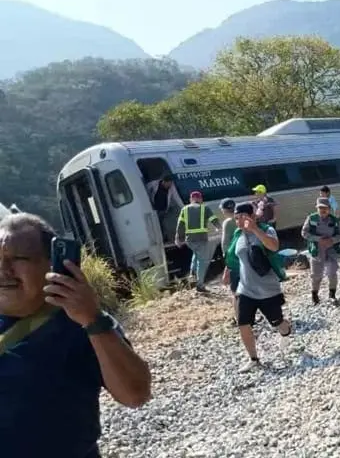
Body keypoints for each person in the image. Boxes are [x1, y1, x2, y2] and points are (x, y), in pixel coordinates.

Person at [0, 213, 151, 457]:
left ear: (52, 264)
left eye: (18, 258)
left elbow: (136, 395)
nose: (3, 269)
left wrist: (93, 320)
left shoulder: (80, 321)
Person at [225, 202, 291, 373]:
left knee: (277, 323)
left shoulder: (266, 230)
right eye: (236, 218)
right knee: (243, 323)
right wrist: (227, 270)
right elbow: (234, 255)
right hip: (245, 289)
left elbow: (274, 246)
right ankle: (253, 359)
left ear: (253, 216)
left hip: (267, 289)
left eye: (242, 217)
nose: (239, 221)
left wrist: (254, 229)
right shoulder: (238, 234)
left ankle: (286, 331)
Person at [301, 197, 340, 305]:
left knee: (332, 273)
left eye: (325, 208)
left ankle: (332, 295)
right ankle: (315, 296)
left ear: (329, 209)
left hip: (331, 250)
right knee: (316, 275)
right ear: (317, 208)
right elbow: (304, 233)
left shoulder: (335, 221)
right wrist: (318, 239)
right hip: (317, 250)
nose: (322, 210)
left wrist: (332, 240)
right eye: (320, 208)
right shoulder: (311, 218)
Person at [175, 191, 221, 293]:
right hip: (201, 238)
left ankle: (192, 273)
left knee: (196, 254)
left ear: (191, 199)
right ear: (200, 199)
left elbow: (180, 225)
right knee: (202, 261)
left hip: (190, 240)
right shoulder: (204, 208)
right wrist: (219, 228)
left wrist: (178, 239)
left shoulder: (184, 209)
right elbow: (214, 220)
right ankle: (200, 285)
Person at [219, 198, 240, 324]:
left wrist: (227, 265)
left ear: (225, 210)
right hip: (245, 257)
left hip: (234, 260)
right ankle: (251, 315)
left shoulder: (228, 222)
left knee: (235, 291)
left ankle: (239, 318)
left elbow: (225, 244)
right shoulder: (242, 218)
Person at [145, 173, 183, 241]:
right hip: (155, 209)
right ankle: (160, 238)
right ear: (164, 181)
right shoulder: (154, 184)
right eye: (169, 183)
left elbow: (176, 197)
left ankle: (165, 238)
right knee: (157, 225)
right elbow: (146, 190)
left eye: (171, 183)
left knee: (164, 225)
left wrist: (183, 207)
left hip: (164, 209)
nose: (170, 185)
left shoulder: (171, 187)